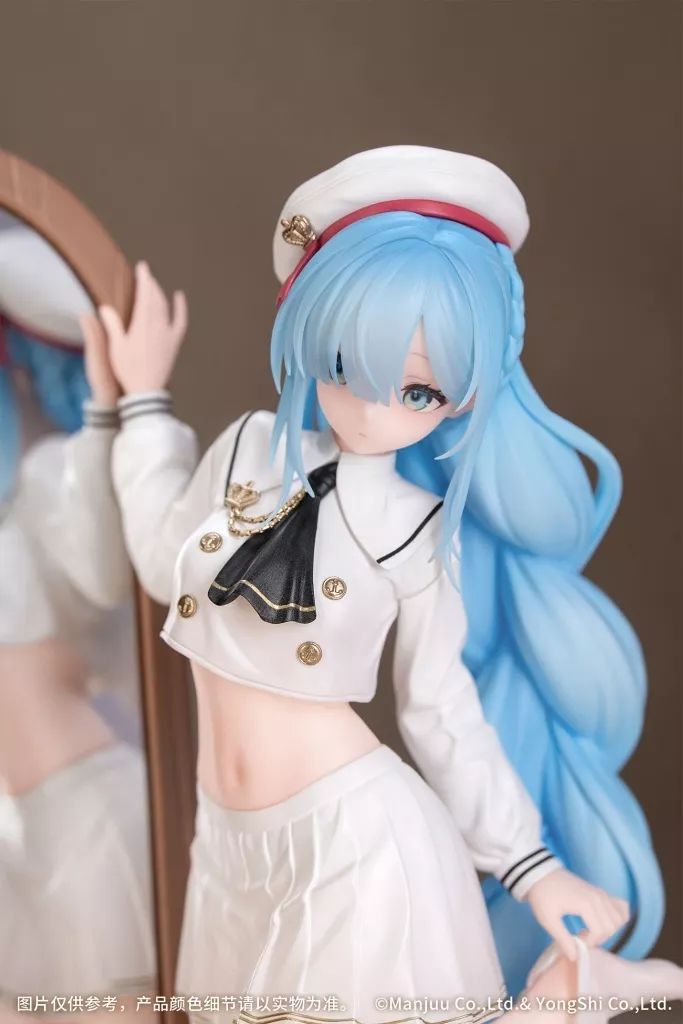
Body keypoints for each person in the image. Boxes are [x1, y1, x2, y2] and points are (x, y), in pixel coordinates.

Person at [99, 146, 683, 1024]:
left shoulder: (418, 526)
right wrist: (141, 404)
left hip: (356, 843)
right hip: (226, 844)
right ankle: (576, 991)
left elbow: (437, 710)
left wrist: (530, 869)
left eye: (418, 391)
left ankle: (575, 990)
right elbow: (160, 559)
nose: (374, 410)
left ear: (463, 397)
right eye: (345, 364)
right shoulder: (250, 447)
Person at [0, 221, 156, 1020]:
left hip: (86, 814)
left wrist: (105, 409)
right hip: (16, 835)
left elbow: (106, 572)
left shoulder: (41, 485)